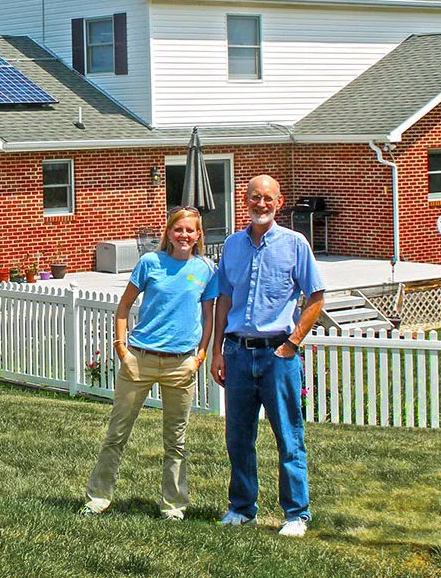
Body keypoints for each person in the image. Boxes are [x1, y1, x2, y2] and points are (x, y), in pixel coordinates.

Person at [81, 207, 218, 520]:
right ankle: (98, 498)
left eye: (190, 231)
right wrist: (122, 350)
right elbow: (123, 307)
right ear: (168, 233)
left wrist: (199, 355)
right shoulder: (150, 263)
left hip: (181, 364)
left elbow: (208, 315)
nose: (184, 235)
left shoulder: (205, 269)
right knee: (116, 434)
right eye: (178, 230)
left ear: (198, 236)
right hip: (139, 361)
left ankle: (173, 505)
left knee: (176, 441)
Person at [211, 175, 325, 537]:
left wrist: (292, 342)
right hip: (238, 354)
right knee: (238, 437)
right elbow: (224, 299)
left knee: (288, 437)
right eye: (254, 198)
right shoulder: (232, 245)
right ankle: (242, 508)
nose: (261, 205)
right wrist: (217, 351)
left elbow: (316, 297)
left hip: (278, 355)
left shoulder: (295, 244)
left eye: (268, 199)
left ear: (279, 202)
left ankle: (296, 514)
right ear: (245, 201)